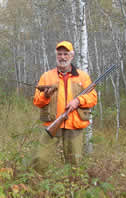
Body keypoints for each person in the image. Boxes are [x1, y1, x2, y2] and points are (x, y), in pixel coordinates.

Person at [33, 41, 97, 173]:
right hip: (52, 124)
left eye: (66, 54)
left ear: (71, 56)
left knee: (74, 164)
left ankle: (72, 190)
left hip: (74, 126)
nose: (62, 57)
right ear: (56, 56)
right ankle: (38, 188)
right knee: (40, 160)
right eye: (60, 54)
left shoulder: (83, 77)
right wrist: (46, 96)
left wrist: (79, 100)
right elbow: (37, 102)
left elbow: (93, 98)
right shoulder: (47, 76)